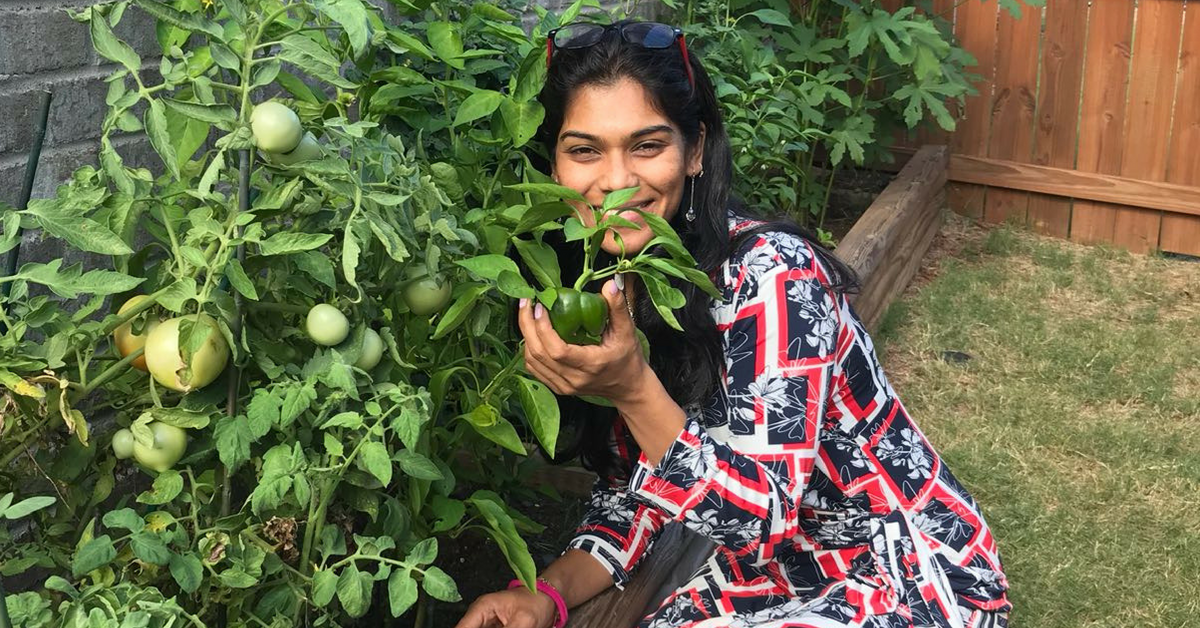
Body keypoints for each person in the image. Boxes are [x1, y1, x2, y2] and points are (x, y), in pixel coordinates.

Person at [454, 20, 1009, 628]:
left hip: (903, 573)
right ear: (554, 164)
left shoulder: (773, 277)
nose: (615, 181)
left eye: (647, 145)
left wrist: (633, 389)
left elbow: (760, 521)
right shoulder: (608, 283)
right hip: (772, 579)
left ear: (694, 151)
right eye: (584, 149)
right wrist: (545, 595)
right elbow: (634, 493)